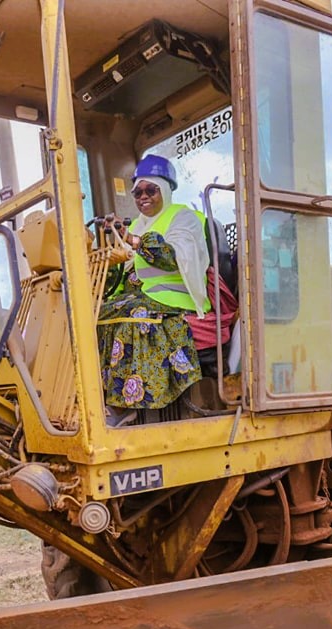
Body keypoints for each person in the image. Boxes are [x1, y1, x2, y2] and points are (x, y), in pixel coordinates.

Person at [97, 155, 209, 426]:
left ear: (166, 189)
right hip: (146, 296)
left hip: (176, 300)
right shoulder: (136, 225)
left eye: (150, 190)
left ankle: (130, 404)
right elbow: (129, 271)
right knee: (97, 312)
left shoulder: (185, 218)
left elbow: (173, 258)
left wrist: (133, 242)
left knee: (134, 316)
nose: (143, 197)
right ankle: (103, 398)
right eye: (137, 192)